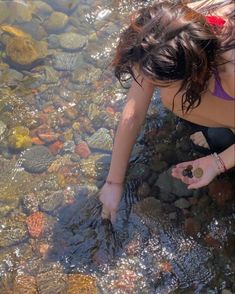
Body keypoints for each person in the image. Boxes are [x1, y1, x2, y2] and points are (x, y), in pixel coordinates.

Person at [99, 0, 235, 222]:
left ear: (193, 72)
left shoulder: (231, 71)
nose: (148, 85)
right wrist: (114, 182)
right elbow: (134, 114)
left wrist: (217, 163)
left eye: (157, 81)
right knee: (174, 98)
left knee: (178, 102)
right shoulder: (169, 31)